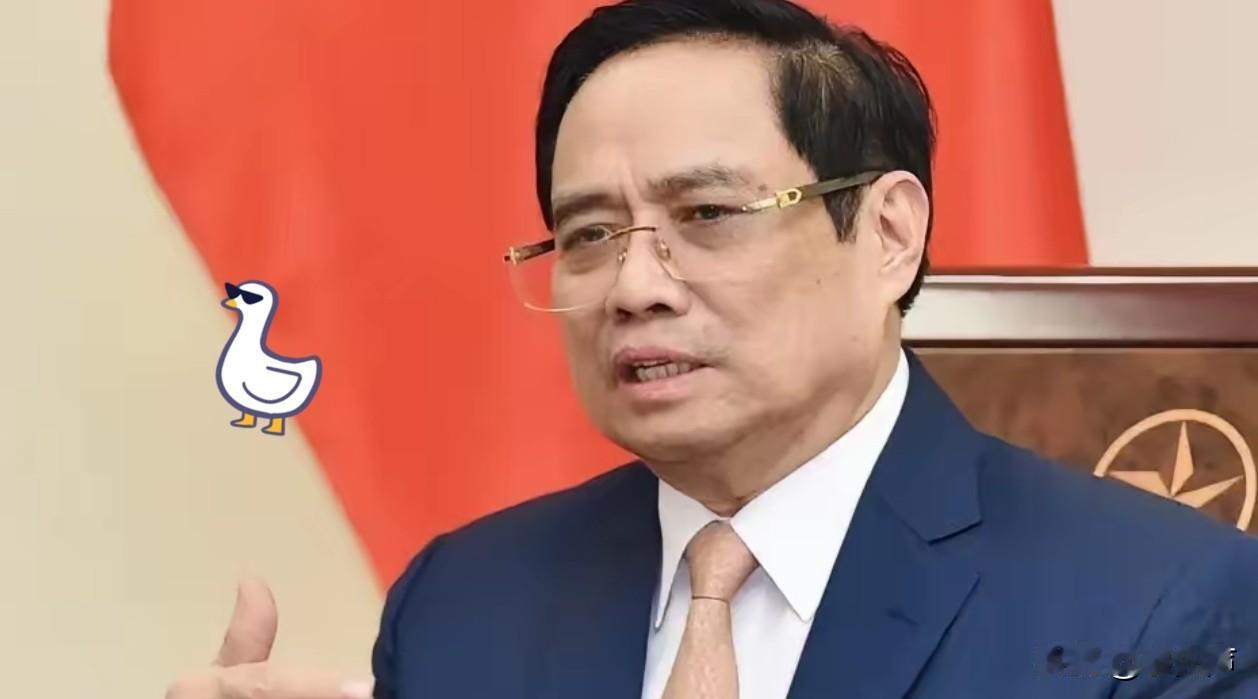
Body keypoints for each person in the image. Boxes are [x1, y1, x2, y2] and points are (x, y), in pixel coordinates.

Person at [167, 0, 1258, 697]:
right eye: (588, 234)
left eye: (708, 215)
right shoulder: (462, 603)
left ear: (887, 234)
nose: (634, 285)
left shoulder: (1163, 605)